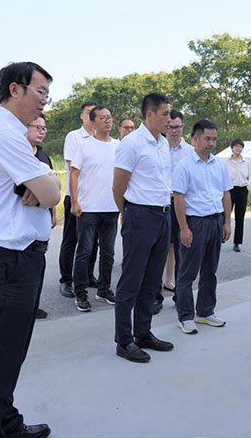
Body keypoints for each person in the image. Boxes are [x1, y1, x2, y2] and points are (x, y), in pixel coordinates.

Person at [0, 61, 60, 437]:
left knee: (10, 355)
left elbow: (48, 190)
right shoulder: (5, 134)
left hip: (18, 258)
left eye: (47, 94)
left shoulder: (12, 133)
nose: (44, 101)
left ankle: (7, 423)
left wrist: (44, 184)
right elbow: (52, 194)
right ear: (14, 89)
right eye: (40, 92)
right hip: (8, 259)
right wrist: (46, 185)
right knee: (0, 358)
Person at [112, 92, 175, 363]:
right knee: (131, 281)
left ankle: (143, 333)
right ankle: (124, 341)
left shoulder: (163, 143)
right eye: (165, 114)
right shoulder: (132, 143)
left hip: (163, 215)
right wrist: (127, 213)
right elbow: (118, 187)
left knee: (151, 282)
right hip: (140, 216)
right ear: (150, 114)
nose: (169, 119)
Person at [173, 119, 232, 335]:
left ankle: (205, 311)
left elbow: (226, 194)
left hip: (216, 222)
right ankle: (186, 316)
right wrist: (184, 228)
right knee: (187, 273)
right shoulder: (184, 166)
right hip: (195, 223)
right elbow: (178, 197)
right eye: (207, 139)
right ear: (194, 139)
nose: (211, 143)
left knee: (210, 271)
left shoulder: (219, 165)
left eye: (214, 139)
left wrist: (227, 222)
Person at [69, 105, 119, 312]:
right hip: (88, 208)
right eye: (103, 118)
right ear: (93, 121)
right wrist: (75, 201)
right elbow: (74, 174)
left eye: (109, 117)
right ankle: (80, 292)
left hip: (111, 207)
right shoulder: (84, 145)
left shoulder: (118, 145)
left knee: (108, 253)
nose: (107, 121)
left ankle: (104, 289)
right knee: (84, 251)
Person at [57, 101, 99, 299]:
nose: (92, 116)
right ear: (82, 116)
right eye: (89, 112)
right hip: (76, 197)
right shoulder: (74, 137)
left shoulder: (102, 138)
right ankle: (66, 280)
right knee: (71, 240)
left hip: (96, 199)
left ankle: (88, 275)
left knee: (93, 241)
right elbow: (72, 164)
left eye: (95, 112)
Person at [154, 109, 193, 314]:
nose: (173, 130)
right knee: (158, 253)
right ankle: (155, 296)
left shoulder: (190, 152)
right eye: (170, 126)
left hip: (182, 206)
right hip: (160, 205)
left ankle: (181, 295)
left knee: (181, 252)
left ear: (183, 128)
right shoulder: (156, 148)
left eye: (177, 127)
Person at [26, 113, 54, 320]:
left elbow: (53, 187)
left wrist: (52, 214)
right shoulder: (18, 155)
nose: (41, 132)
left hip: (41, 217)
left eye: (44, 128)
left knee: (37, 266)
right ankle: (24, 307)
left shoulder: (44, 156)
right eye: (37, 127)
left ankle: (34, 305)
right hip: (22, 221)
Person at [225, 138, 250, 252]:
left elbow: (248, 176)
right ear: (232, 148)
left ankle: (237, 242)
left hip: (242, 190)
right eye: (236, 146)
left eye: (240, 146)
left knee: (240, 217)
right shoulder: (226, 162)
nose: (238, 148)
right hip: (230, 190)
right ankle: (222, 236)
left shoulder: (246, 162)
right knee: (225, 214)